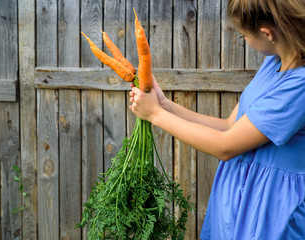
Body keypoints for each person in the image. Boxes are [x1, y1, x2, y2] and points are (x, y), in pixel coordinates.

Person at [129, 0, 305, 239]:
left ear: (267, 33)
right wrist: (164, 105)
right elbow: (229, 126)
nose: (245, 40)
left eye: (244, 35)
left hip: (272, 204)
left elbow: (226, 146)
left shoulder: (300, 85)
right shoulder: (273, 63)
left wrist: (155, 115)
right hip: (240, 196)